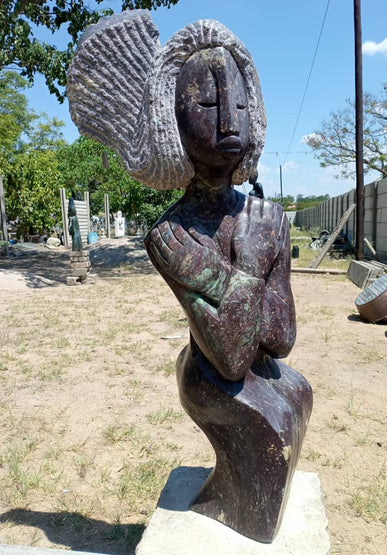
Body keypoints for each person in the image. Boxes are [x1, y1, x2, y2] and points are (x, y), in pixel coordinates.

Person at [67, 14, 312, 543]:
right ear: (171, 119)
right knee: (271, 418)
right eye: (207, 104)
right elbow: (229, 355)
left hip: (250, 366)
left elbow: (280, 338)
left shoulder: (267, 218)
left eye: (241, 105)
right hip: (212, 380)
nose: (230, 122)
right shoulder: (172, 235)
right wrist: (250, 266)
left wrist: (227, 279)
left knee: (297, 392)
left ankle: (239, 503)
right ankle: (239, 510)